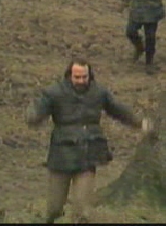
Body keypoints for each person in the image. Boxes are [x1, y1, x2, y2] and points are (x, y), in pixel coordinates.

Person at [26, 58, 149, 223]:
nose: (81, 81)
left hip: (88, 154)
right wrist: (33, 116)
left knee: (82, 211)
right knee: (54, 208)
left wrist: (139, 122)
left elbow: (118, 109)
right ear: (69, 75)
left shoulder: (99, 92)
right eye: (77, 77)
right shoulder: (54, 92)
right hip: (61, 156)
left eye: (84, 77)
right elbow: (39, 108)